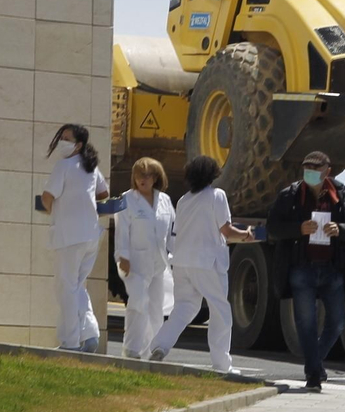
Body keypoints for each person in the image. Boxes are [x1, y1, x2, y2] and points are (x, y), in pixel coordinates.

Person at [267, 150, 345, 392]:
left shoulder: (341, 195)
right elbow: (273, 227)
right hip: (302, 269)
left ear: (327, 172)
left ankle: (315, 362)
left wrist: (340, 229)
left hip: (333, 269)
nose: (310, 173)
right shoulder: (290, 195)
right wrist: (298, 229)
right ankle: (313, 375)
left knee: (338, 321)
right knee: (306, 323)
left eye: (315, 169)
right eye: (306, 169)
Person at [148, 156, 253, 373]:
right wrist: (247, 235)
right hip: (208, 263)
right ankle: (222, 364)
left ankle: (160, 345)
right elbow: (227, 231)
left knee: (184, 309)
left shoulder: (184, 200)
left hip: (182, 262)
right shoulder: (217, 195)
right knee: (220, 311)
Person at [42, 123, 109, 353]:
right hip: (90, 235)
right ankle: (90, 334)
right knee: (77, 286)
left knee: (66, 288)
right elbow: (104, 194)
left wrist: (53, 208)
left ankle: (70, 342)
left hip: (69, 236)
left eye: (67, 138)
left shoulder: (64, 165)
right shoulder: (91, 167)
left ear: (78, 145)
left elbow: (47, 197)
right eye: (61, 136)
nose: (62, 141)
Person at [114, 157, 175, 360]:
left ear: (156, 177)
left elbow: (172, 232)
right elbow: (121, 231)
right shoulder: (127, 200)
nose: (143, 179)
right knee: (138, 301)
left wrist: (175, 256)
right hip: (134, 263)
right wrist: (123, 256)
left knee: (156, 308)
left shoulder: (164, 200)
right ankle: (131, 350)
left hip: (159, 264)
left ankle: (152, 349)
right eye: (140, 174)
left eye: (148, 175)